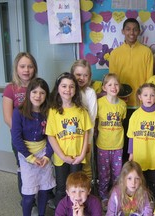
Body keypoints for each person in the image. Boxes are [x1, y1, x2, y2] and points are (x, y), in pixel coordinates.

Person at [109, 17, 154, 162]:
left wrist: (146, 101)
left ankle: (140, 171)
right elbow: (112, 81)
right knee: (123, 139)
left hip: (141, 105)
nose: (131, 32)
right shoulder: (115, 53)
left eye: (135, 29)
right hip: (121, 105)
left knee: (140, 140)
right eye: (128, 29)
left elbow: (149, 80)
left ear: (139, 31)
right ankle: (124, 171)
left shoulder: (147, 52)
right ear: (123, 31)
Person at [45, 72, 92, 206]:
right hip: (61, 159)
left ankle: (76, 211)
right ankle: (61, 211)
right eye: (64, 86)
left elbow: (85, 133)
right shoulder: (53, 111)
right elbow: (51, 136)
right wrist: (63, 156)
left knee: (77, 188)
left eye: (71, 86)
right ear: (58, 88)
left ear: (76, 89)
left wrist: (82, 154)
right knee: (61, 188)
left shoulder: (81, 110)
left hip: (78, 157)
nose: (67, 90)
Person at [11, 78, 56, 216]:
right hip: (26, 155)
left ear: (46, 95)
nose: (38, 96)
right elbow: (16, 138)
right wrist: (30, 157)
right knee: (29, 195)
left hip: (43, 154)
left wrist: (47, 156)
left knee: (43, 189)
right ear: (29, 93)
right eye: (34, 92)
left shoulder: (49, 113)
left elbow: (52, 137)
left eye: (42, 93)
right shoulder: (19, 112)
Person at [2, 52, 38, 195]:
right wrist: (22, 135)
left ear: (34, 68)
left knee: (40, 165)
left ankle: (45, 194)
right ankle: (28, 200)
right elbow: (7, 117)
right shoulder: (11, 89)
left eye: (30, 66)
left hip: (39, 138)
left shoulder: (38, 86)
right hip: (21, 138)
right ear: (16, 68)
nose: (26, 70)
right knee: (24, 167)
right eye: (22, 66)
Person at [127, 83, 155, 198]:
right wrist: (131, 153)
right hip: (139, 156)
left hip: (153, 157)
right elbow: (131, 136)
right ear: (140, 97)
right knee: (139, 182)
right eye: (145, 95)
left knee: (152, 183)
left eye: (152, 95)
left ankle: (151, 202)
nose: (149, 98)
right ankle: (139, 202)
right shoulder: (135, 115)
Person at [96, 73, 127, 210]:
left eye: (116, 84)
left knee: (117, 174)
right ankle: (103, 197)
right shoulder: (99, 103)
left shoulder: (122, 105)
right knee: (104, 175)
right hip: (102, 145)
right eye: (110, 85)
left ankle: (116, 196)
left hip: (118, 146)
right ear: (104, 87)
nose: (113, 87)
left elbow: (122, 121)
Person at [71, 59, 97, 180]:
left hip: (85, 137)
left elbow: (91, 120)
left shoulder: (90, 93)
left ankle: (88, 190)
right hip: (70, 137)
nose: (81, 78)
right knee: (72, 165)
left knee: (86, 166)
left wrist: (89, 142)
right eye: (78, 75)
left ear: (89, 77)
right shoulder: (68, 91)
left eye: (85, 75)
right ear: (72, 74)